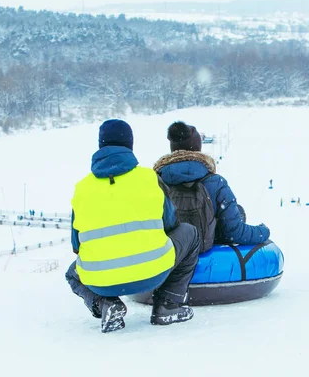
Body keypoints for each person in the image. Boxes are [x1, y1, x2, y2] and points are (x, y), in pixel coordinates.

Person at [65, 119, 201, 333]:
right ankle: (167, 304)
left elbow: (76, 245)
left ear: (100, 145)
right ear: (130, 145)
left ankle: (106, 303)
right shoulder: (148, 178)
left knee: (72, 274)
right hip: (152, 273)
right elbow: (171, 224)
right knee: (190, 233)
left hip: (101, 281)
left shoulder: (81, 189)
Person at [154, 121, 270, 247]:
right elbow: (235, 232)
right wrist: (263, 231)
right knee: (238, 211)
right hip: (204, 248)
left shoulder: (156, 182)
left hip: (169, 251)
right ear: (198, 148)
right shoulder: (215, 183)